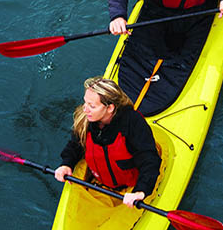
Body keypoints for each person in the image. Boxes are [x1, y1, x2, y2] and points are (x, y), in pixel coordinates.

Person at [55, 76, 160, 208]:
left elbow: (149, 160)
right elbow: (75, 145)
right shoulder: (85, 120)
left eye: (92, 106)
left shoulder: (133, 124)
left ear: (110, 108)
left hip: (132, 188)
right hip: (100, 183)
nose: (85, 109)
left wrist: (140, 191)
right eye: (85, 103)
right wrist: (66, 164)